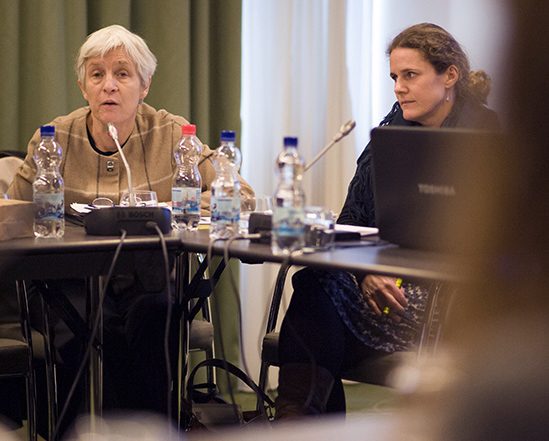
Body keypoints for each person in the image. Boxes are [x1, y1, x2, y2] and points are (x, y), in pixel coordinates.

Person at [6, 24, 254, 434]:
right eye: (97, 74)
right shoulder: (55, 137)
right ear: (83, 86)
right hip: (67, 283)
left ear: (144, 85)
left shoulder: (171, 133)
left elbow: (240, 194)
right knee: (85, 327)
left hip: (147, 279)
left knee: (155, 316)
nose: (109, 85)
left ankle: (153, 431)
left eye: (122, 73)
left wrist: (179, 207)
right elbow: (13, 212)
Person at [275, 22, 500, 419]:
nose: (398, 87)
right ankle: (297, 421)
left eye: (410, 75)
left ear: (449, 76)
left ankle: (299, 423)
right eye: (395, 77)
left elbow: (488, 237)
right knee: (315, 281)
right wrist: (366, 272)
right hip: (384, 288)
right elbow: (350, 219)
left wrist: (386, 269)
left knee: (318, 325)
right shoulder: (390, 130)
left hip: (445, 300)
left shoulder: (486, 134)